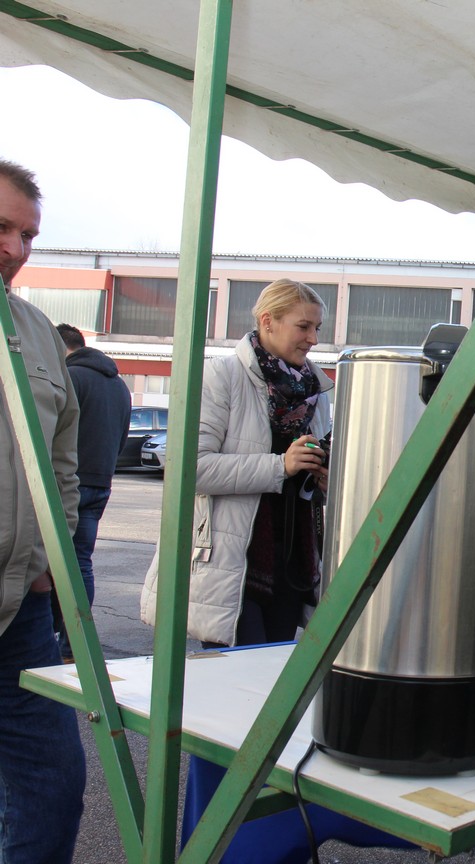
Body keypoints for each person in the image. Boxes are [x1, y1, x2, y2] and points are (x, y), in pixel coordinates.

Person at [140, 278, 332, 648]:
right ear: (267, 321)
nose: (313, 339)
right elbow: (189, 470)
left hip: (293, 562)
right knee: (235, 683)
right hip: (232, 564)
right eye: (304, 326)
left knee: (271, 683)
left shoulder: (315, 391)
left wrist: (324, 479)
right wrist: (281, 466)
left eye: (317, 328)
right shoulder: (222, 376)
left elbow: (309, 480)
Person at [0, 159, 86, 864]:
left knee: (53, 783)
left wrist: (47, 567)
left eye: (28, 234)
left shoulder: (33, 330)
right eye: (2, 227)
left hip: (19, 613)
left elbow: (63, 456)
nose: (17, 249)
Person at [52, 322, 131, 663]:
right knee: (81, 564)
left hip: (68, 481)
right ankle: (73, 647)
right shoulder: (119, 385)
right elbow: (123, 435)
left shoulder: (70, 377)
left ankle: (49, 641)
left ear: (62, 348)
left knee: (45, 563)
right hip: (100, 482)